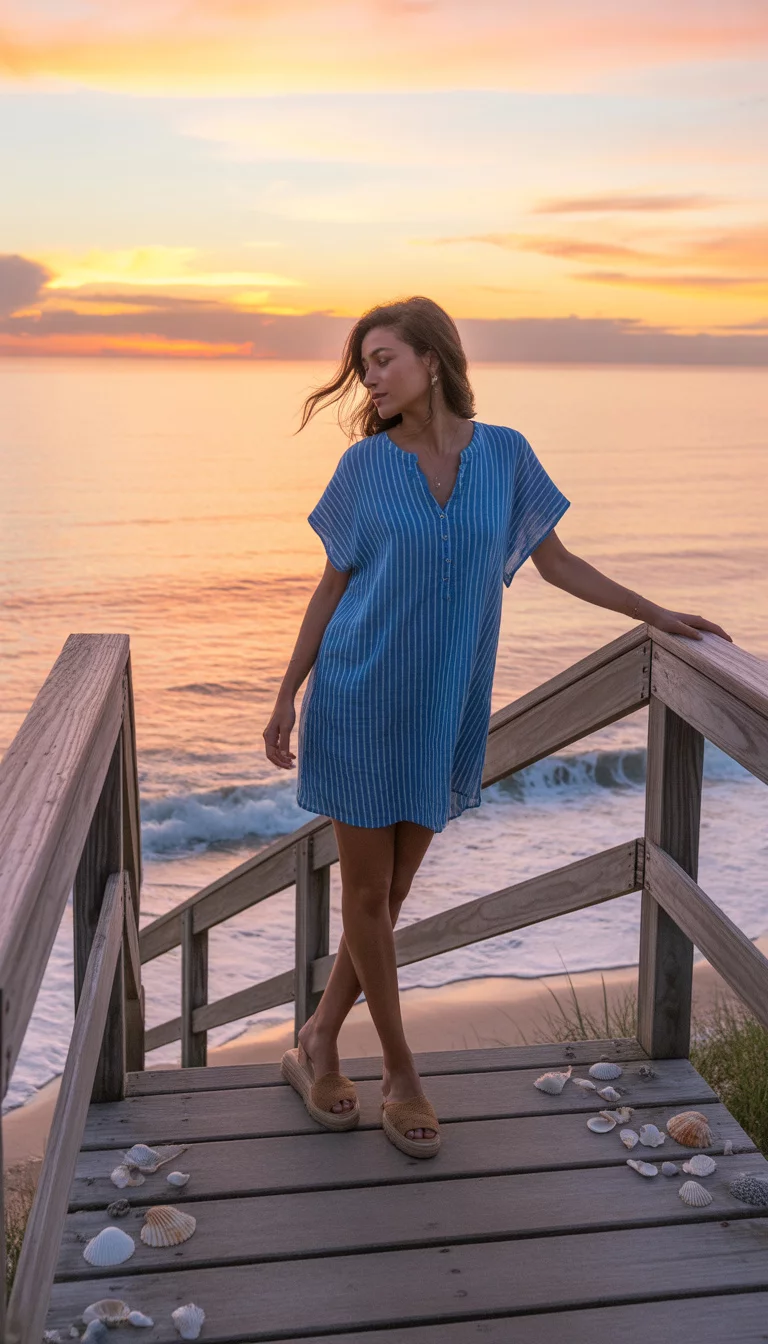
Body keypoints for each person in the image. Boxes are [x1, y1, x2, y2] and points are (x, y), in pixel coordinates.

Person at [263, 295, 733, 1160]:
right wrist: (289, 690)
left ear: (433, 362)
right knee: (368, 898)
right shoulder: (365, 469)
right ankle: (400, 1072)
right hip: (360, 697)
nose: (369, 375)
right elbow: (331, 585)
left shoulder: (506, 456)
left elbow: (555, 563)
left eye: (384, 358)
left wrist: (656, 614)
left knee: (389, 899)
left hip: (443, 706)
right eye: (363, 363)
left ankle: (316, 1040)